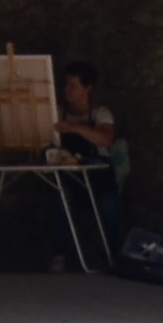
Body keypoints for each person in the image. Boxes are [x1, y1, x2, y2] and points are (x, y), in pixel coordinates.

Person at [56, 60, 130, 256]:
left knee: (108, 205)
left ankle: (114, 255)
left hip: (98, 179)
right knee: (60, 198)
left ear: (87, 88)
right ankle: (60, 255)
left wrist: (76, 128)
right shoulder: (59, 112)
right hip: (70, 177)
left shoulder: (100, 114)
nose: (67, 89)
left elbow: (105, 139)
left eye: (73, 85)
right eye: (66, 84)